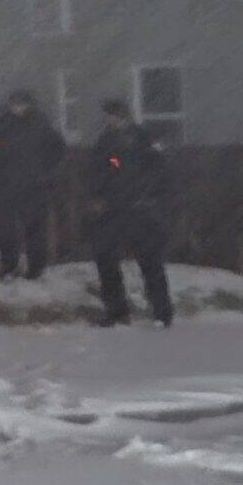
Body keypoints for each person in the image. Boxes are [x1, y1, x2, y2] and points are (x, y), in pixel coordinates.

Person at [85, 99, 174, 327]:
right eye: (109, 116)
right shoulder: (105, 140)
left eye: (116, 115)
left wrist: (148, 194)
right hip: (113, 207)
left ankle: (162, 312)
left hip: (140, 207)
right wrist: (97, 196)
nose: (112, 120)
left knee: (150, 261)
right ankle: (116, 311)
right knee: (106, 259)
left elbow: (158, 169)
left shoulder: (142, 138)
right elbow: (97, 171)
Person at [0, 88, 66, 279]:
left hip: (33, 185)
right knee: (5, 228)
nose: (18, 108)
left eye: (22, 104)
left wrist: (44, 170)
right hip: (4, 184)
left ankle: (35, 268)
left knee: (34, 228)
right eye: (15, 104)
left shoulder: (40, 124)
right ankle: (9, 264)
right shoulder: (0, 124)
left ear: (29, 105)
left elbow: (57, 148)